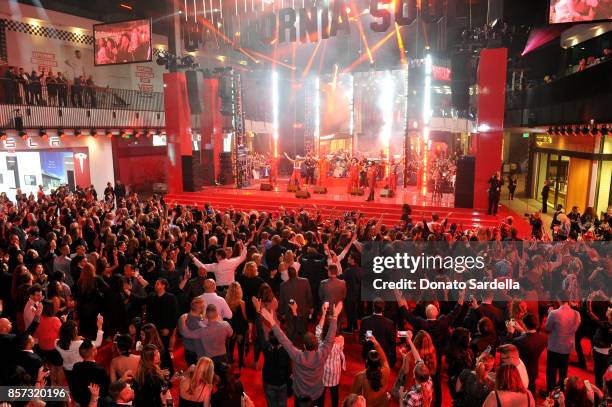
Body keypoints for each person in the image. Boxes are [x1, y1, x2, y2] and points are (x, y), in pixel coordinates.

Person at [259, 299, 342, 407]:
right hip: (317, 395)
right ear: (316, 345)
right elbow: (330, 339)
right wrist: (335, 317)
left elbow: (283, 340)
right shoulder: (322, 355)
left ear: (304, 346)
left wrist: (272, 321)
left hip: (300, 396)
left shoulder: (297, 355)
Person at [506, 312, 548, 396]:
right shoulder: (544, 338)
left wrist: (510, 333)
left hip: (520, 370)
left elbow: (507, 349)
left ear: (524, 324)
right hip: (533, 369)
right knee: (531, 389)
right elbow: (530, 338)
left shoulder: (518, 341)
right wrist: (522, 330)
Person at [545, 299, 581, 392]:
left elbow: (547, 328)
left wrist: (549, 314)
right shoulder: (576, 313)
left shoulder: (554, 313)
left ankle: (551, 393)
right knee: (563, 371)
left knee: (551, 372)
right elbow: (576, 328)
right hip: (567, 345)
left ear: (558, 300)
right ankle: (560, 392)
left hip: (555, 345)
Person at [55, 317, 104, 385]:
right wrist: (100, 327)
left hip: (67, 369)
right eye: (76, 329)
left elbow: (66, 336)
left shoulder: (56, 343)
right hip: (81, 369)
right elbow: (98, 343)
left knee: (72, 385)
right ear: (74, 332)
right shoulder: (80, 344)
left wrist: (65, 323)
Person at [316, 302, 346, 407]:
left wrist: (324, 313)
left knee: (321, 394)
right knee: (335, 393)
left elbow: (319, 328)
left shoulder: (319, 339)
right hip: (335, 371)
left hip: (322, 370)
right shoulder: (341, 340)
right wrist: (335, 315)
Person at [351, 334, 391, 407]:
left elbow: (352, 397)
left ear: (366, 362)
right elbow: (384, 359)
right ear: (379, 362)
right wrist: (376, 343)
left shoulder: (360, 377)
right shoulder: (386, 370)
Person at [71, 340, 111, 407]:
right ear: (93, 352)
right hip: (97, 401)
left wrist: (77, 401)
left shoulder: (76, 366)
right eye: (95, 348)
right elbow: (106, 389)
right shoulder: (100, 370)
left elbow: (74, 385)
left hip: (81, 400)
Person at [360, 298, 396, 367]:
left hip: (368, 353)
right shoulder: (390, 323)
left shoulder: (365, 321)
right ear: (383, 308)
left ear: (373, 307)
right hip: (383, 353)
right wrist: (392, 360)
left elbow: (361, 340)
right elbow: (392, 342)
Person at [225, 282, 248, 367]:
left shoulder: (226, 302)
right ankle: (241, 363)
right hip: (240, 327)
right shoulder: (242, 303)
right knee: (241, 346)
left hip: (231, 327)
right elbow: (244, 317)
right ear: (239, 291)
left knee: (231, 344)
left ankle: (230, 360)